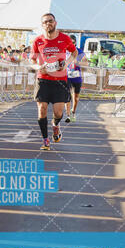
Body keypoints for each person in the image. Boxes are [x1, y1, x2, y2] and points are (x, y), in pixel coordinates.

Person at [31, 13, 77, 150]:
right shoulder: (38, 41)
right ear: (42, 25)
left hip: (60, 81)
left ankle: (56, 125)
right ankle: (45, 140)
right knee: (42, 109)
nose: (48, 24)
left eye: (50, 21)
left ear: (55, 22)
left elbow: (74, 53)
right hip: (43, 80)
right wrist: (39, 67)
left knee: (58, 113)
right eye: (45, 22)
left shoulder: (64, 38)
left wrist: (67, 63)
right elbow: (32, 60)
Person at [65, 35, 83, 123]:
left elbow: (86, 62)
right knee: (67, 97)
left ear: (75, 42)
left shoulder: (79, 51)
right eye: (69, 42)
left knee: (76, 98)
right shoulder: (65, 51)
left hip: (77, 77)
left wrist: (78, 62)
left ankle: (73, 112)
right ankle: (68, 115)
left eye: (72, 42)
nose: (71, 44)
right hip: (67, 76)